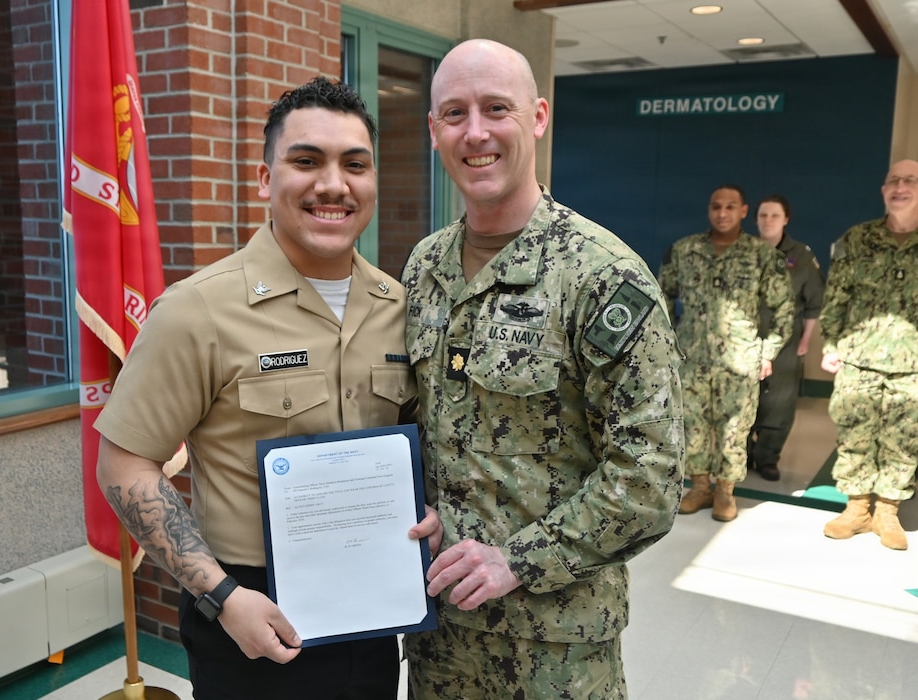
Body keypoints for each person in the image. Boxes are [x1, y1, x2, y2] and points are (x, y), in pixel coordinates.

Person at [94, 77, 440, 699]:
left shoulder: (399, 306)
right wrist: (222, 596)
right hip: (247, 615)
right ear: (264, 180)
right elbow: (123, 463)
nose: (333, 184)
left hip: (372, 609)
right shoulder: (197, 310)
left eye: (354, 165)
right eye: (306, 161)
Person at [400, 39, 684, 700]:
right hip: (440, 636)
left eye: (496, 108)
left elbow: (652, 475)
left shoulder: (600, 276)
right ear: (434, 131)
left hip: (554, 648)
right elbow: (415, 421)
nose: (475, 132)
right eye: (454, 113)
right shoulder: (423, 269)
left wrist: (520, 560)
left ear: (537, 117)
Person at [659, 185, 794, 521]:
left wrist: (767, 351)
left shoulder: (762, 255)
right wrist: (671, 342)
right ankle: (701, 486)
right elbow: (661, 296)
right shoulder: (685, 250)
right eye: (716, 206)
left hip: (739, 360)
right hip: (692, 359)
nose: (722, 213)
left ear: (743, 211)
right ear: (709, 210)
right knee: (693, 426)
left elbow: (784, 309)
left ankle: (725, 492)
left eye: (730, 207)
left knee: (734, 431)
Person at [820, 158, 918, 551]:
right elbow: (836, 297)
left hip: (912, 363)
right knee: (855, 434)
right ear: (883, 190)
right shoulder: (857, 240)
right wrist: (830, 344)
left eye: (910, 180)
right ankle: (857, 508)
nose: (900, 186)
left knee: (904, 438)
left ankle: (887, 512)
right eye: (893, 180)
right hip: (859, 356)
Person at [747, 195, 825, 481]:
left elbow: (814, 302)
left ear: (786, 219)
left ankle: (767, 457)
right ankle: (742, 453)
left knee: (779, 403)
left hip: (786, 340)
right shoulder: (745, 251)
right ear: (756, 219)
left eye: (774, 215)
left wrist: (806, 340)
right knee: (744, 399)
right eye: (763, 215)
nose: (768, 221)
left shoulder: (801, 256)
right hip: (748, 339)